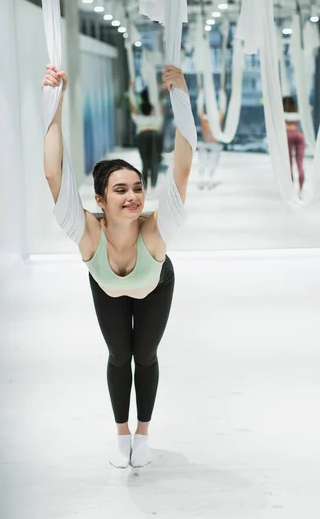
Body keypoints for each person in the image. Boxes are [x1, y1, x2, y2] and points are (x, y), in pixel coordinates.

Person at [42, 64, 193, 469]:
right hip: (105, 285)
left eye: (138, 188)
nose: (133, 197)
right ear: (101, 199)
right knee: (117, 354)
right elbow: (52, 173)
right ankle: (121, 433)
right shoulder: (87, 232)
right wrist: (53, 104)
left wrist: (181, 97)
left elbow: (181, 170)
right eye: (121, 190)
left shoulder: (158, 229)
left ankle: (143, 434)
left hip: (154, 285)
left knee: (144, 355)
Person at [129, 83, 163, 195]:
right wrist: (157, 94)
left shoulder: (139, 118)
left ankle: (145, 186)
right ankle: (153, 186)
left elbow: (133, 107)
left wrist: (131, 89)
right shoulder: (157, 119)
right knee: (155, 162)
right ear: (152, 110)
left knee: (145, 163)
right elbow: (159, 107)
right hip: (154, 136)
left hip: (142, 137)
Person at [197, 87, 224, 190]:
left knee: (208, 163)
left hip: (211, 145)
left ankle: (206, 178)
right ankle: (205, 178)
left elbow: (221, 109)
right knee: (205, 163)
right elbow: (200, 110)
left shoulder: (214, 119)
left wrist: (201, 95)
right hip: (209, 145)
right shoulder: (209, 119)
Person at [283, 96, 305, 196]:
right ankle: (300, 189)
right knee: (300, 163)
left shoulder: (282, 114)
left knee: (289, 164)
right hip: (299, 135)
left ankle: (290, 188)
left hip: (287, 135)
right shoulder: (297, 113)